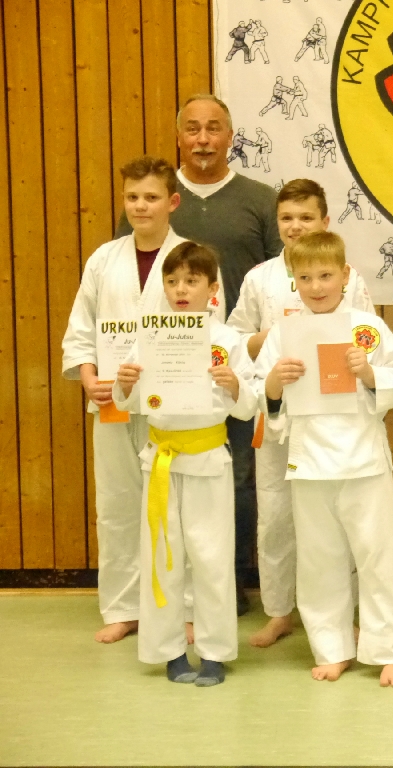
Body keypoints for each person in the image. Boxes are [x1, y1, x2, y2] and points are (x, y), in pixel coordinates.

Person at [117, 94, 283, 616]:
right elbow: (131, 279)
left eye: (214, 128)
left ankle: (229, 582)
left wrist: (258, 345)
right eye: (193, 129)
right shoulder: (161, 201)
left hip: (232, 357)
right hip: (167, 361)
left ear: (231, 136)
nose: (204, 139)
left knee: (239, 478)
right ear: (179, 137)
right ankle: (176, 592)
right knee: (173, 479)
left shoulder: (259, 199)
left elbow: (280, 277)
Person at [255, 231, 393, 686]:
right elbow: (258, 396)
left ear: (345, 275)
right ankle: (332, 648)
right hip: (309, 460)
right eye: (305, 278)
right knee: (319, 559)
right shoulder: (284, 333)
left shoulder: (367, 326)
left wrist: (369, 374)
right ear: (294, 280)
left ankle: (388, 650)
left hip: (363, 458)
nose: (316, 286)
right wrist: (274, 383)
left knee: (377, 556)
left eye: (325, 275)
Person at [228, 179, 373, 648]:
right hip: (279, 410)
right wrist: (276, 338)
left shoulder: (349, 277)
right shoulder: (260, 278)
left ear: (325, 221)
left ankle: (346, 613)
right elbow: (234, 340)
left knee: (338, 519)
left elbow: (367, 336)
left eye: (306, 217)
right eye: (287, 218)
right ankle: (278, 611)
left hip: (333, 414)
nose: (296, 226)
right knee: (275, 515)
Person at [113, 241, 258, 687]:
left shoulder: (228, 341)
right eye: (172, 281)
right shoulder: (149, 335)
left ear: (212, 289)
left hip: (208, 459)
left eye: (192, 281)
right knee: (162, 559)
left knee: (212, 560)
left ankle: (214, 652)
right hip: (160, 459)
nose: (180, 289)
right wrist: (125, 383)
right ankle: (170, 651)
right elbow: (130, 400)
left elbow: (249, 406)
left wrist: (234, 384)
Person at [63, 156, 188, 644]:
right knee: (117, 505)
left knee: (176, 505)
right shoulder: (103, 259)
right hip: (112, 401)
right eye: (132, 197)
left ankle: (184, 607)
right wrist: (89, 377)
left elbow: (205, 330)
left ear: (172, 202)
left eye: (151, 197)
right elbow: (82, 327)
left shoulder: (191, 258)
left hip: (170, 402)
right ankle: (124, 608)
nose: (140, 206)